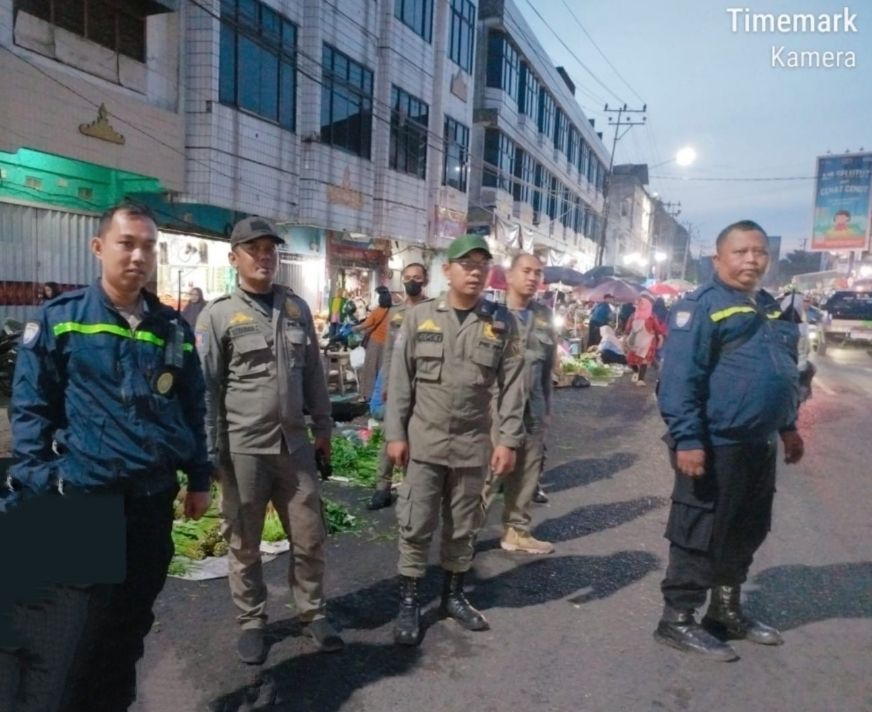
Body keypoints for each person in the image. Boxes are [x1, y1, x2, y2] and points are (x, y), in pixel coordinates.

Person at [1, 201, 212, 711]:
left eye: (148, 246)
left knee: (126, 632)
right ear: (99, 248)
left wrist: (200, 476)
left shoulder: (171, 329)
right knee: (65, 642)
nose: (138, 256)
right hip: (84, 502)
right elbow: (29, 409)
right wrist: (45, 482)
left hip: (149, 505)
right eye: (127, 243)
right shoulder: (63, 321)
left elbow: (192, 405)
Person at [655, 219, 804, 662]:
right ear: (718, 258)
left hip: (758, 444)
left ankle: (724, 612)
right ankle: (677, 618)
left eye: (759, 251)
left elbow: (784, 372)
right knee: (698, 530)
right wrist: (687, 440)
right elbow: (679, 381)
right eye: (740, 252)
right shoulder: (700, 307)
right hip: (713, 443)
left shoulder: (771, 308)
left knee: (745, 528)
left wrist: (788, 425)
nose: (751, 259)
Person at [196, 216, 342, 666]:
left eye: (270, 249)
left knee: (310, 535)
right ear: (234, 257)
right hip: (243, 451)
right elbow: (206, 390)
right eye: (254, 249)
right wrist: (209, 455)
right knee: (244, 541)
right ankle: (252, 622)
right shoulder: (217, 315)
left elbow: (315, 374)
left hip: (295, 447)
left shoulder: (296, 309)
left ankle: (312, 612)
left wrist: (324, 429)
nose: (264, 256)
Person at [385, 234, 526, 646]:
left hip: (472, 446)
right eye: (467, 264)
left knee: (463, 527)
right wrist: (395, 435)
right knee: (415, 524)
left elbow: (512, 386)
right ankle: (410, 600)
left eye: (482, 264)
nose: (476, 271)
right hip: (424, 442)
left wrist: (508, 440)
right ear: (446, 271)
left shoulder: (501, 323)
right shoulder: (419, 317)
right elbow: (401, 381)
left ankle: (452, 596)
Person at [482, 253, 556, 554]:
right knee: (492, 471)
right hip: (497, 405)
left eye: (538, 273)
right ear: (509, 275)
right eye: (526, 271)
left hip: (534, 403)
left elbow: (548, 366)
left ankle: (517, 531)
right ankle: (463, 535)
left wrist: (547, 409)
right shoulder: (491, 314)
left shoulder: (543, 316)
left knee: (528, 470)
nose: (532, 277)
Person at [367, 263, 431, 511]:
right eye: (408, 278)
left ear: (425, 281)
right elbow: (389, 351)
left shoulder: (432, 311)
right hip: (395, 379)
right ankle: (382, 488)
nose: (412, 281)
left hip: (423, 381)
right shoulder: (396, 313)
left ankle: (410, 487)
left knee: (416, 434)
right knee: (390, 432)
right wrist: (384, 381)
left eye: (417, 277)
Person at [353, 287, 391, 400]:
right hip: (387, 343)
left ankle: (367, 394)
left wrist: (354, 328)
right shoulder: (392, 311)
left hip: (375, 343)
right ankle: (382, 395)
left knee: (370, 369)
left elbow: (365, 325)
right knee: (382, 370)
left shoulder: (377, 311)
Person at [624, 293, 664, 387]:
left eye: (641, 303)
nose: (639, 305)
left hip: (648, 341)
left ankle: (641, 379)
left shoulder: (652, 316)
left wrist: (660, 338)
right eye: (639, 304)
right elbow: (628, 327)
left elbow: (657, 328)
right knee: (630, 359)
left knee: (644, 360)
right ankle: (636, 371)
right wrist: (625, 338)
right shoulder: (634, 315)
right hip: (635, 341)